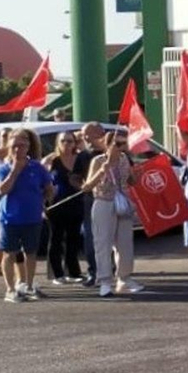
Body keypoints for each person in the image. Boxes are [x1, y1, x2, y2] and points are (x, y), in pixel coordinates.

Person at [0, 129, 53, 302]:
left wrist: (49, 192)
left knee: (31, 253)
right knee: (9, 254)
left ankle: (29, 284)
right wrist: (16, 170)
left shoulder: (37, 167)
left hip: (33, 217)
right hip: (10, 218)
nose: (19, 149)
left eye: (22, 145)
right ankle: (10, 290)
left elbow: (48, 188)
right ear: (9, 147)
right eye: (15, 146)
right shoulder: (2, 168)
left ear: (28, 146)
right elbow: (2, 189)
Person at [82, 131, 141, 296]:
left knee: (125, 243)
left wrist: (136, 176)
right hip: (104, 201)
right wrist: (101, 171)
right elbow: (87, 186)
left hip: (122, 202)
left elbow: (131, 181)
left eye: (124, 144)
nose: (122, 148)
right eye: (118, 144)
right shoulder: (98, 161)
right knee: (103, 243)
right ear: (108, 144)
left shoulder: (124, 160)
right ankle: (105, 281)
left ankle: (124, 278)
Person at [42, 131, 86, 283]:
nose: (67, 144)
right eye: (63, 141)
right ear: (58, 143)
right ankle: (57, 274)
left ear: (75, 143)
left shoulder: (80, 159)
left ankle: (73, 272)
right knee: (56, 239)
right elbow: (42, 182)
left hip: (76, 203)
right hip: (56, 205)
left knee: (73, 239)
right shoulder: (51, 160)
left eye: (70, 141)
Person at [71, 122, 105, 287]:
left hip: (112, 199)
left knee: (114, 239)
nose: (84, 137)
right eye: (83, 134)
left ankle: (115, 271)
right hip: (91, 200)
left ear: (100, 134)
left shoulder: (115, 153)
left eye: (87, 134)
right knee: (91, 238)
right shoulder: (83, 156)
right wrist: (81, 186)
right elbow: (75, 177)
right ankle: (93, 271)